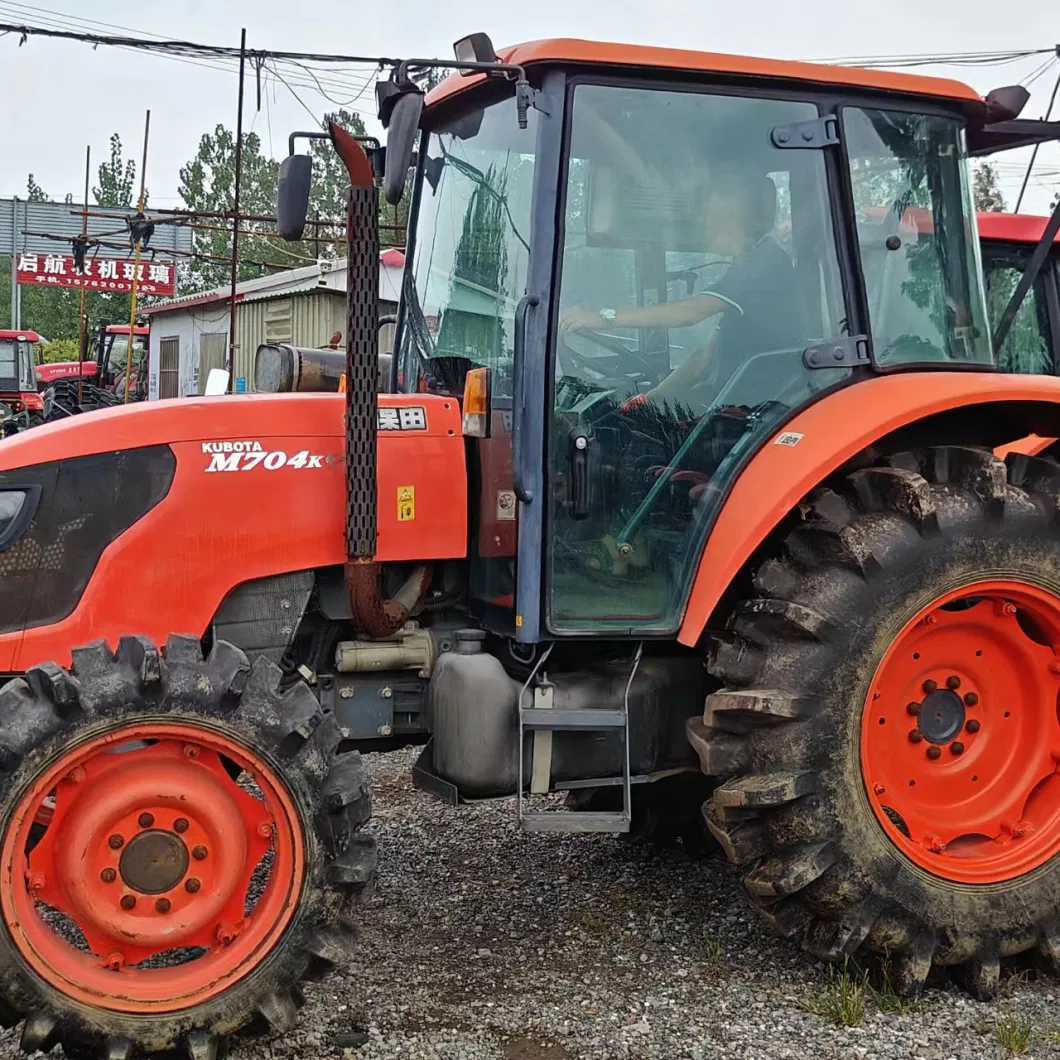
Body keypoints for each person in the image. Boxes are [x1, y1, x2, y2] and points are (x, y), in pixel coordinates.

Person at [559, 170, 802, 407]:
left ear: (733, 219)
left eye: (710, 217)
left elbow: (691, 312)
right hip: (734, 404)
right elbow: (704, 356)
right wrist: (649, 399)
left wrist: (602, 317)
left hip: (760, 411)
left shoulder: (764, 263)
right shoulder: (750, 266)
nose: (703, 226)